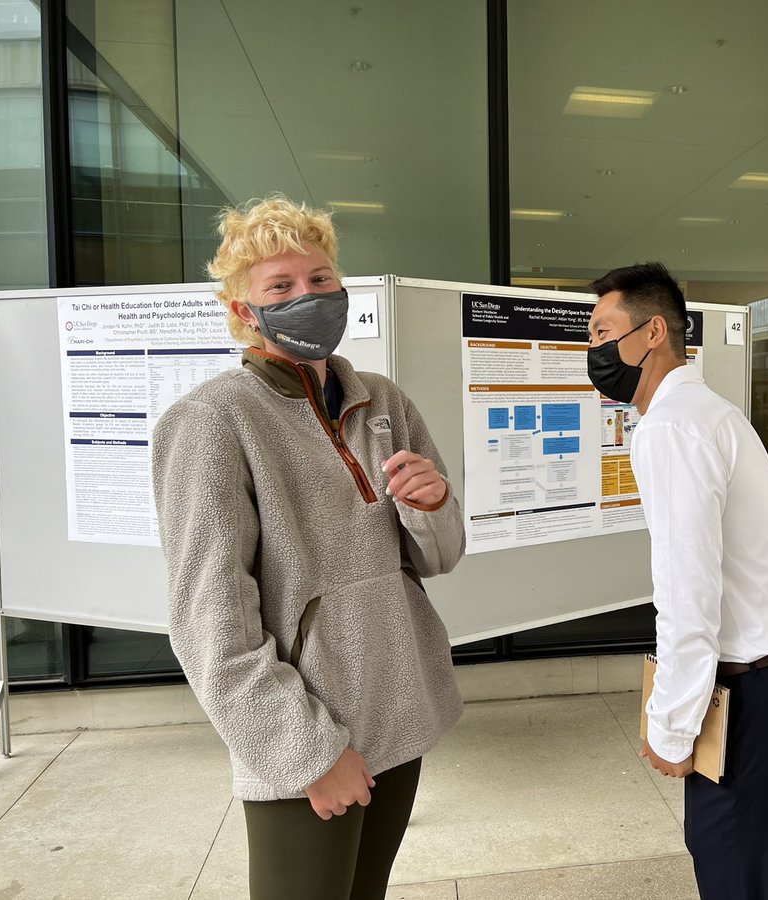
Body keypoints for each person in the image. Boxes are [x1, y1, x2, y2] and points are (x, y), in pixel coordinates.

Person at [151, 196, 464, 899]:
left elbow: (439, 557)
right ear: (243, 311)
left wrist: (433, 506)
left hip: (400, 709)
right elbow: (210, 628)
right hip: (304, 730)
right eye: (281, 287)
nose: (308, 297)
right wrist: (308, 751)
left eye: (321, 279)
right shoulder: (210, 421)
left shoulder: (383, 400)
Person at [586, 262, 768, 899]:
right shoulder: (706, 414)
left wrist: (670, 725)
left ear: (653, 333)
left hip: (758, 701)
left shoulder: (674, 427)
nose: (593, 351)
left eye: (602, 332)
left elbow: (688, 590)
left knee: (739, 879)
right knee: (762, 878)